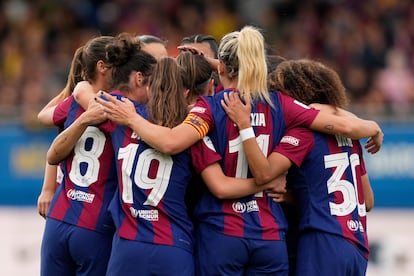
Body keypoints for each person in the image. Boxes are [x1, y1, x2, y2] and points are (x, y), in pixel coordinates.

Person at [96, 26, 381, 275]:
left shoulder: (206, 109)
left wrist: (131, 118)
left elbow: (172, 142)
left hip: (221, 235)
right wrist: (372, 126)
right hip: (270, 238)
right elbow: (335, 122)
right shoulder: (283, 105)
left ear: (221, 69)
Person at [221, 59, 375, 276]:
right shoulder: (352, 139)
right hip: (358, 248)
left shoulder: (303, 133)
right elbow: (367, 201)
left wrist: (245, 126)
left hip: (323, 241)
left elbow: (265, 172)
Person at [39, 34, 128, 276]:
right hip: (95, 225)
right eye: (118, 65)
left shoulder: (74, 102)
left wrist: (76, 88)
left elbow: (44, 116)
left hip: (59, 218)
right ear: (102, 67)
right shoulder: (121, 110)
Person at [37, 35, 114, 218]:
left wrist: (77, 89)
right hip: (82, 203)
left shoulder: (80, 96)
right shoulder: (114, 104)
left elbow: (43, 116)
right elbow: (49, 124)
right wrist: (76, 90)